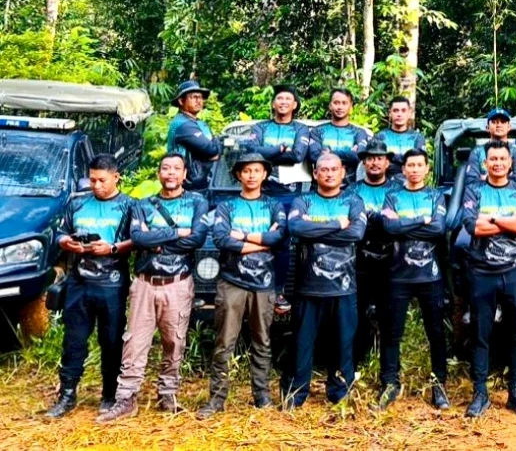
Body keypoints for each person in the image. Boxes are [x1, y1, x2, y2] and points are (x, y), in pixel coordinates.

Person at [97, 153, 211, 421]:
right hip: (145, 284)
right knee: (134, 342)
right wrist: (176, 233)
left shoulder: (197, 202)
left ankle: (168, 395)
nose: (170, 173)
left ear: (184, 174)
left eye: (176, 169)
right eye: (165, 168)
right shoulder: (143, 205)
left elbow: (196, 239)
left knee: (175, 342)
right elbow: (137, 237)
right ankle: (126, 399)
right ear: (159, 173)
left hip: (179, 284)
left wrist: (156, 239)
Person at [198, 153, 287, 419]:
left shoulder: (274, 206)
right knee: (225, 341)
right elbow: (223, 239)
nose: (251, 175)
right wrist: (262, 243)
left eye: (256, 170)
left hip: (264, 284)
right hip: (232, 282)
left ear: (265, 175)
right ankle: (216, 399)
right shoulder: (226, 207)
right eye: (246, 171)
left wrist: (245, 237)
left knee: (262, 340)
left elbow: (280, 237)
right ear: (238, 175)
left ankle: (261, 395)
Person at [46, 154, 135, 419]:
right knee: (73, 340)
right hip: (79, 282)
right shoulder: (77, 203)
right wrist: (66, 243)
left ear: (116, 177)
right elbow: (61, 232)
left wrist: (113, 248)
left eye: (102, 180)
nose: (96, 185)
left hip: (112, 284)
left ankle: (109, 395)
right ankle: (67, 394)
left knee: (110, 341)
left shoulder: (129, 206)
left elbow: (139, 240)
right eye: (92, 179)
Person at [281, 153, 367, 409]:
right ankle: (296, 394)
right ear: (315, 174)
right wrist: (337, 224)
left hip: (343, 287)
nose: (329, 174)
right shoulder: (303, 200)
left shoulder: (353, 201)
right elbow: (296, 228)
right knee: (301, 343)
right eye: (323, 170)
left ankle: (339, 392)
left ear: (343, 173)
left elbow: (356, 233)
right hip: (308, 287)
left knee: (343, 342)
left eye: (334, 169)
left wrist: (317, 230)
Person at [461, 141, 516, 418]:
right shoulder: (474, 189)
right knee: (480, 335)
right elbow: (472, 226)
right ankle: (480, 393)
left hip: (515, 271)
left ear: (510, 162)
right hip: (482, 272)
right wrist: (507, 220)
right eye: (492, 159)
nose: (498, 163)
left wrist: (490, 217)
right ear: (485, 163)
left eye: (502, 159)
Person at [377, 149, 450, 410]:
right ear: (404, 169)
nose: (415, 169)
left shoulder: (435, 195)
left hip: (431, 275)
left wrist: (405, 222)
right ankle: (389, 384)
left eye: (420, 165)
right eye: (411, 165)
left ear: (427, 169)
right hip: (398, 275)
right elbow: (390, 228)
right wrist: (422, 219)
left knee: (436, 332)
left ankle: (439, 385)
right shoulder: (393, 195)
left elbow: (439, 228)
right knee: (392, 332)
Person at [245, 83, 310, 315]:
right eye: (279, 98)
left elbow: (298, 155)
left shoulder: (301, 129)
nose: (283, 102)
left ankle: (280, 289)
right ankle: (255, 285)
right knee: (259, 240)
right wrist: (282, 148)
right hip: (263, 194)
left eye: (287, 99)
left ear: (294, 105)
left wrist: (270, 151)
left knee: (284, 243)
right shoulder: (260, 126)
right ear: (273, 103)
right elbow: (252, 151)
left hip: (292, 195)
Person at [351, 140, 398, 359]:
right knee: (359, 311)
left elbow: (399, 224)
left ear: (387, 162)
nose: (374, 163)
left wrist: (375, 220)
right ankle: (359, 358)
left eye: (379, 158)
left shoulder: (397, 190)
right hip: (360, 258)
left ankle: (388, 364)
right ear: (364, 162)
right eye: (370, 158)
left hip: (392, 258)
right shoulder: (353, 191)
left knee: (388, 312)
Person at [308, 87, 372, 184]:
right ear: (330, 105)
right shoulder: (317, 131)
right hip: (320, 188)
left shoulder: (359, 132)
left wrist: (329, 153)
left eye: (344, 103)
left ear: (351, 107)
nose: (340, 107)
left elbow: (358, 156)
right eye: (336, 103)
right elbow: (314, 156)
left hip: (350, 189)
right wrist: (348, 153)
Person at [165, 80, 220, 192]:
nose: (198, 101)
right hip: (188, 186)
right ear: (181, 101)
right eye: (194, 97)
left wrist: (213, 151)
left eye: (200, 98)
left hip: (205, 183)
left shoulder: (201, 123)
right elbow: (212, 150)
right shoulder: (182, 124)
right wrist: (212, 152)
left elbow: (215, 148)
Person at [463, 108, 516, 185]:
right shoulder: (477, 151)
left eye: (503, 122)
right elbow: (471, 180)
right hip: (482, 195)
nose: (499, 125)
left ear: (509, 127)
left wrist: (485, 178)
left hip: (511, 195)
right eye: (494, 122)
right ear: (487, 128)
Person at [373, 96, 427, 176]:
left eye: (403, 111)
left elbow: (417, 162)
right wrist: (406, 160)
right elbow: (378, 163)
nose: (399, 114)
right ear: (390, 113)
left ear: (409, 113)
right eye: (396, 111)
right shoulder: (380, 136)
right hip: (385, 183)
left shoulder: (417, 138)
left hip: (410, 183)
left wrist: (390, 156)